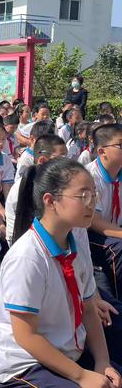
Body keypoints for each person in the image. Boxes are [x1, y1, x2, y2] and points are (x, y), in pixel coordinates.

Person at [0, 158, 122, 387]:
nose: (92, 204)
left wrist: (103, 361)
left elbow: (89, 309)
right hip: (26, 364)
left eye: (94, 194)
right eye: (84, 196)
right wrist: (81, 376)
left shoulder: (75, 247)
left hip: (68, 352)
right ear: (50, 201)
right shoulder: (27, 257)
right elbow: (26, 336)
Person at [86, 123, 122, 300]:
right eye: (120, 145)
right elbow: (94, 221)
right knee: (117, 247)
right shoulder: (90, 176)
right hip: (90, 233)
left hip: (114, 227)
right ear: (102, 152)